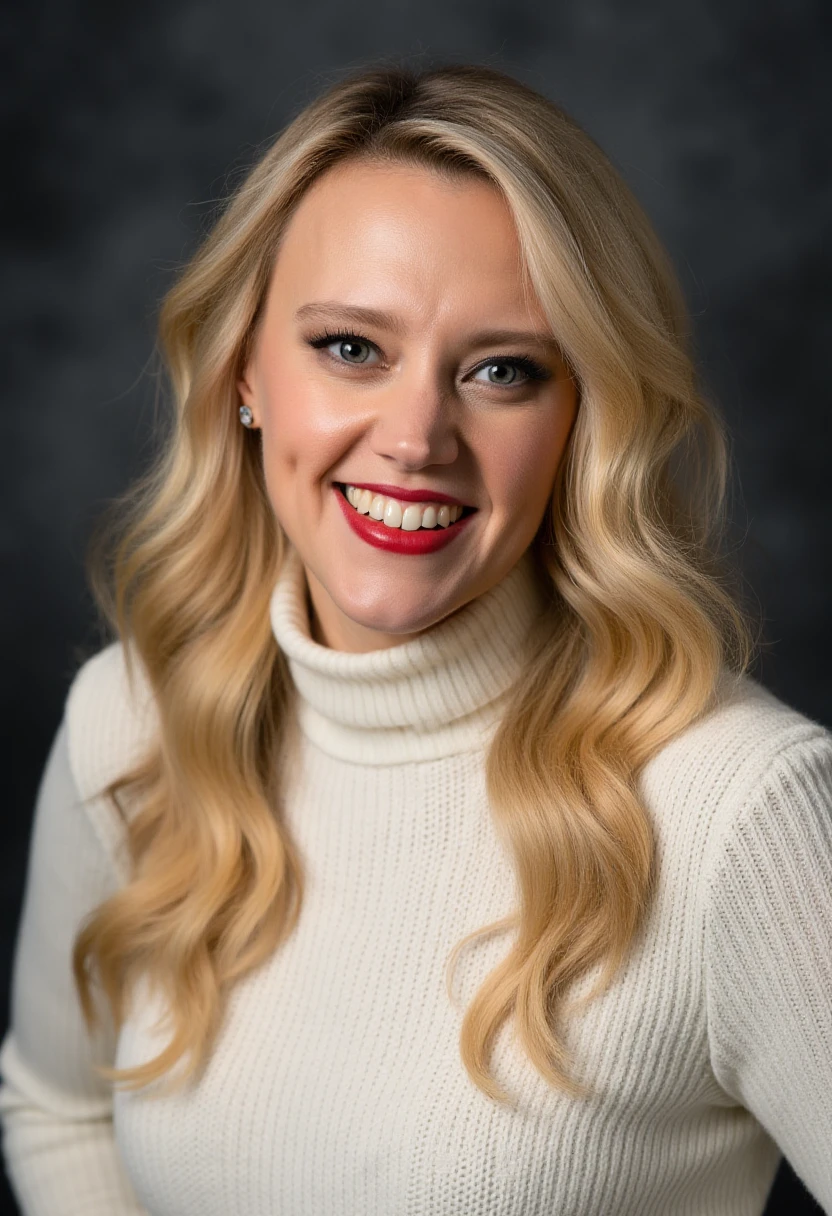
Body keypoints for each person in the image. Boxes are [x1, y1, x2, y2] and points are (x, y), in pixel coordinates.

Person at [1, 62, 830, 1216]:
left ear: (584, 415)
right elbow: (59, 1106)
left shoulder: (742, 810)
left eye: (503, 371)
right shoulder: (134, 720)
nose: (415, 436)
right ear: (246, 370)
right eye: (351, 347)